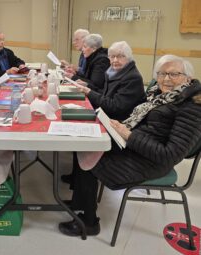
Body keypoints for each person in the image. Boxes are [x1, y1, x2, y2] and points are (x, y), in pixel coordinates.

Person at [58, 54, 201, 237]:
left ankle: (89, 223)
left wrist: (129, 135)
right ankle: (80, 201)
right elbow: (145, 125)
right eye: (162, 74)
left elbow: (170, 154)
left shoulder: (192, 107)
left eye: (174, 74)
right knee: (86, 143)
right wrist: (121, 127)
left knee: (90, 159)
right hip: (136, 147)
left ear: (187, 78)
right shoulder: (161, 96)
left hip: (152, 161)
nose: (166, 79)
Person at [61, 41, 146, 185]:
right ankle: (76, 179)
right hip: (108, 117)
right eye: (112, 57)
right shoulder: (115, 72)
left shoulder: (132, 77)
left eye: (120, 57)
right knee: (77, 126)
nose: (115, 61)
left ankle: (82, 203)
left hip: (118, 124)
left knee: (84, 140)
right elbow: (105, 95)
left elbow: (115, 106)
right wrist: (88, 87)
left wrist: (90, 93)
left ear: (129, 57)